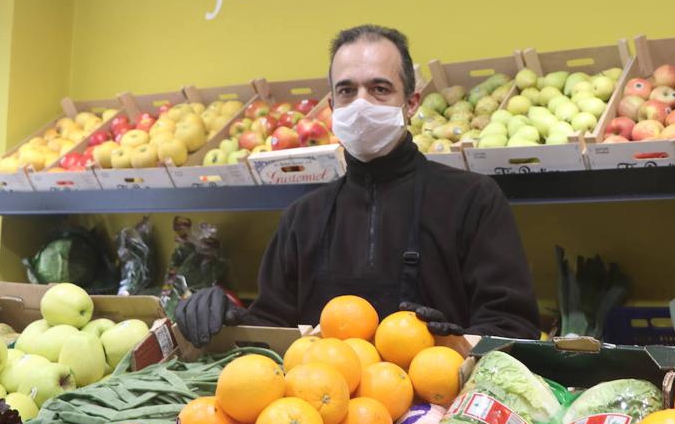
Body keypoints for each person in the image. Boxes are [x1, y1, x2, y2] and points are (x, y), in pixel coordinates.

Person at [176, 24, 541, 346]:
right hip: (322, 411)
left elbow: (513, 326)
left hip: (439, 408)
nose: (361, 104)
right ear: (332, 105)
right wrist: (229, 316)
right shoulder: (301, 219)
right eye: (347, 91)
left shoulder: (473, 201)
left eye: (380, 88)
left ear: (411, 103)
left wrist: (457, 345)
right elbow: (274, 328)